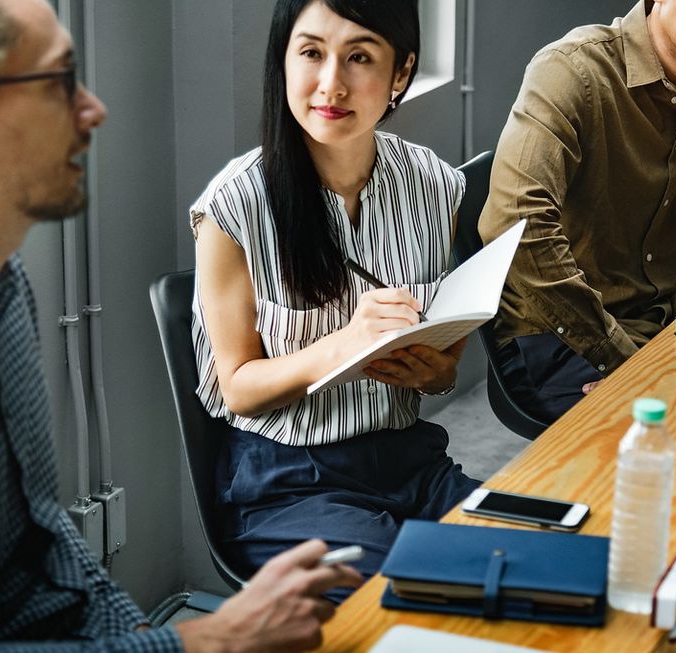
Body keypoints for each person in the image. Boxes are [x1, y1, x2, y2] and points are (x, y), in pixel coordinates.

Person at [0, 0, 360, 651]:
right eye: (59, 83)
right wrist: (209, 640)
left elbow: (45, 534)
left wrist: (136, 629)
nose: (94, 109)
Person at [191, 0, 480, 598]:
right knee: (418, 594)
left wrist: (435, 372)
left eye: (360, 57)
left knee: (526, 563)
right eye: (312, 53)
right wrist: (347, 342)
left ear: (400, 73)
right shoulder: (233, 207)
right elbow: (237, 385)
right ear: (284, 61)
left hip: (412, 462)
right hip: (288, 483)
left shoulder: (435, 186)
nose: (331, 84)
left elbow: (443, 367)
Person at [478, 0, 676, 423]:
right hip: (562, 340)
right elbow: (515, 227)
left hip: (664, 323)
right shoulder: (572, 69)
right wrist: (624, 364)